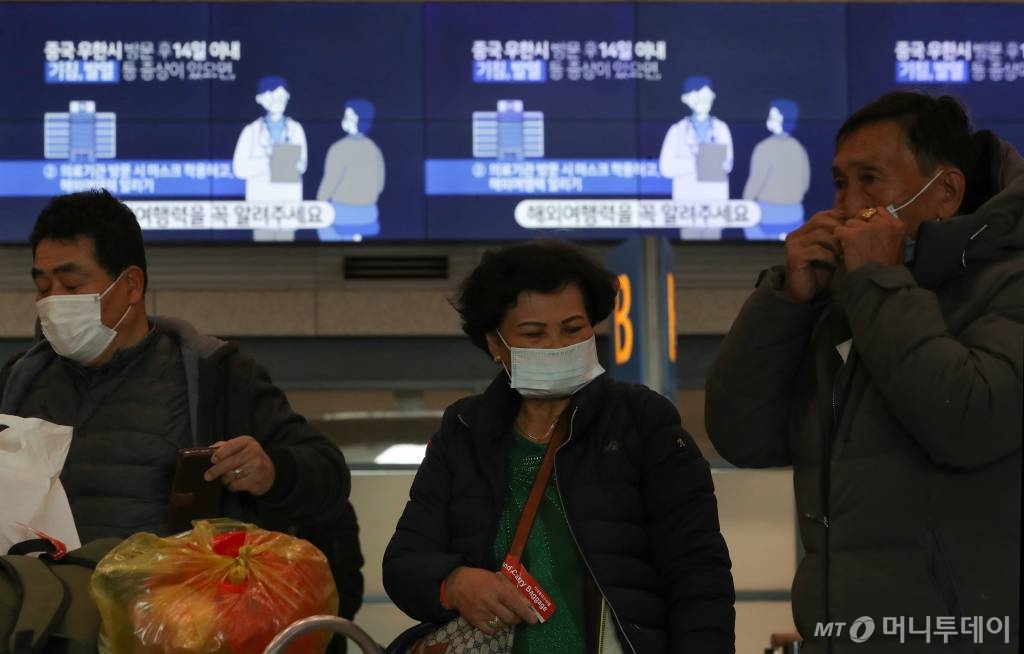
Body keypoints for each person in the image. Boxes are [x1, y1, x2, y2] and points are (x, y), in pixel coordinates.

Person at [706, 91, 1022, 653]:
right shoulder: (848, 299)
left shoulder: (1007, 283)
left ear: (945, 192)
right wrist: (787, 303)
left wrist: (878, 283)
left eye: (870, 180)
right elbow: (744, 435)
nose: (848, 205)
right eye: (839, 183)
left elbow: (969, 421)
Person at [0, 190, 364, 636]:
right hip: (37, 622)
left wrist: (271, 471)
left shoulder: (216, 377)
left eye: (71, 285)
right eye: (42, 285)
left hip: (168, 630)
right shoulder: (18, 383)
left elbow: (327, 475)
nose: (52, 300)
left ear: (131, 285)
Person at [384, 240, 735, 653]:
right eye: (533, 333)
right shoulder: (463, 432)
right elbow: (404, 563)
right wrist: (456, 583)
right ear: (496, 345)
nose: (557, 345)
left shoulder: (642, 421)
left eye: (573, 328)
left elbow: (698, 571)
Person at [232, 75, 308, 241]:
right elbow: (239, 169)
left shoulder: (295, 129)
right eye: (272, 96)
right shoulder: (251, 131)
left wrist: (285, 162)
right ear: (260, 99)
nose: (277, 100)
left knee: (291, 257)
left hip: (288, 206)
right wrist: (269, 163)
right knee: (261, 257)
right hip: (261, 207)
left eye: (281, 96)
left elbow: (302, 165)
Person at [659, 75, 734, 240]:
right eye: (697, 96)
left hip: (715, 204)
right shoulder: (677, 130)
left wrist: (706, 160)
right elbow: (666, 167)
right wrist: (697, 162)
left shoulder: (721, 129)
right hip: (688, 206)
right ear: (685, 99)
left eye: (706, 96)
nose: (702, 101)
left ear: (713, 96)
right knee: (688, 245)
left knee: (716, 250)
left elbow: (727, 164)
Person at [316, 98, 386, 242]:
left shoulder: (338, 149)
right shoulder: (374, 149)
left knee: (321, 223)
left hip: (343, 214)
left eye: (348, 117)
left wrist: (319, 203)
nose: (344, 120)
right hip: (370, 212)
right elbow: (380, 185)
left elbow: (329, 183)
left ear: (358, 121)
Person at [742, 99, 811, 241]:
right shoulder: (798, 148)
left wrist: (745, 205)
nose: (769, 119)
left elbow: (755, 182)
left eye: (773, 116)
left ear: (784, 119)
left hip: (767, 216)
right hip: (795, 215)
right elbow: (805, 182)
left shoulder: (764, 148)